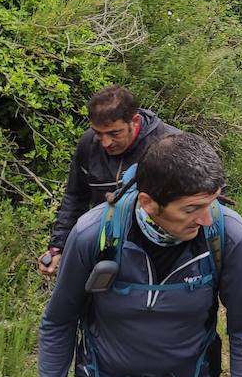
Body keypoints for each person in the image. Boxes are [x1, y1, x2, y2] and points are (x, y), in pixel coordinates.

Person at [38, 133, 242, 377]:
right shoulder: (93, 234)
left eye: (211, 203)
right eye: (191, 209)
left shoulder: (227, 235)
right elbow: (59, 322)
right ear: (148, 203)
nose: (207, 219)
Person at [38, 86, 179, 276]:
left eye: (114, 134)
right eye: (98, 133)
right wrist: (58, 246)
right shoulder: (88, 144)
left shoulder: (170, 145)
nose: (105, 143)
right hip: (105, 251)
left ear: (134, 121)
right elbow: (75, 197)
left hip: (159, 255)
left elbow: (203, 201)